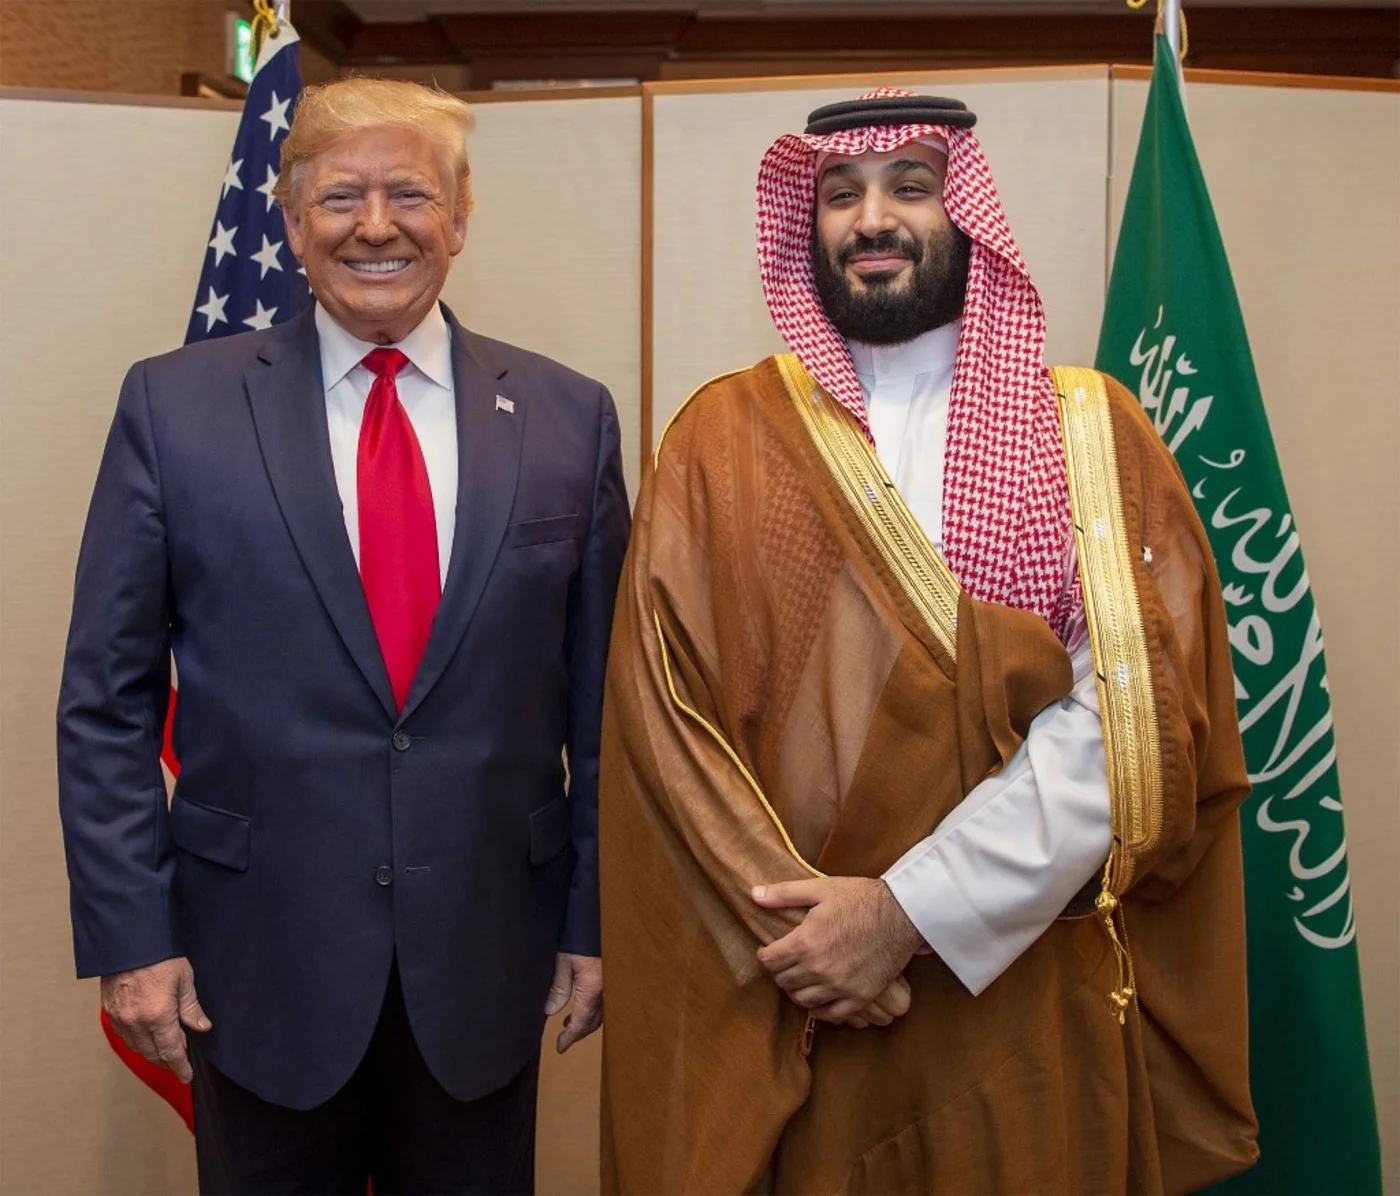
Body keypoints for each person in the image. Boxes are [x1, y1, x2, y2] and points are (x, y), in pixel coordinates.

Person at [599, 89, 1257, 1194]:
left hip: (1016, 997)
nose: (871, 219)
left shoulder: (1089, 432)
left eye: (909, 186)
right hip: (798, 999)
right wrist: (821, 944)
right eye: (840, 193)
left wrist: (902, 913)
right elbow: (669, 719)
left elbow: (1131, 719)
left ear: (966, 213)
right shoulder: (720, 439)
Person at [57, 78, 629, 1194]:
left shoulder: (568, 417)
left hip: (487, 962)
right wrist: (133, 936)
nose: (376, 226)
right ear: (289, 220)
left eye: (410, 192)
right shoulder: (174, 409)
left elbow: (604, 704)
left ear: (459, 217)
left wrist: (595, 917)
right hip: (251, 962)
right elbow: (107, 699)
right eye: (340, 197)